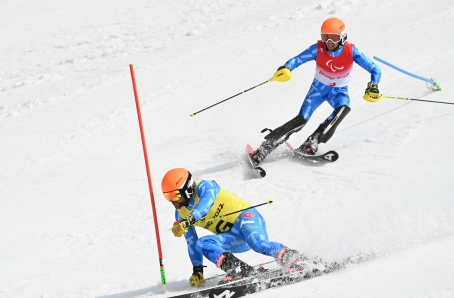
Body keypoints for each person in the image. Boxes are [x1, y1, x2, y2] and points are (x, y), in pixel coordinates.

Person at [251, 17, 382, 164]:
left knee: (343, 109)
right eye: (325, 37)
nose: (329, 42)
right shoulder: (318, 48)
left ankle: (313, 141)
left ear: (343, 37)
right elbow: (297, 59)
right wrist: (286, 67)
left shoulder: (351, 51)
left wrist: (374, 86)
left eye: (334, 37)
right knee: (301, 120)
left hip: (338, 92)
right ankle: (264, 148)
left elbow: (375, 69)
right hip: (317, 90)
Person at [161, 167, 306, 286]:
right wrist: (197, 270)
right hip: (233, 237)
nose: (171, 201)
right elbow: (191, 242)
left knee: (258, 244)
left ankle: (293, 258)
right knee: (202, 243)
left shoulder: (205, 187)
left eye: (174, 195)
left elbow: (206, 204)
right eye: (167, 197)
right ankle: (238, 270)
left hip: (247, 218)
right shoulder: (180, 214)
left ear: (186, 189)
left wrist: (189, 220)